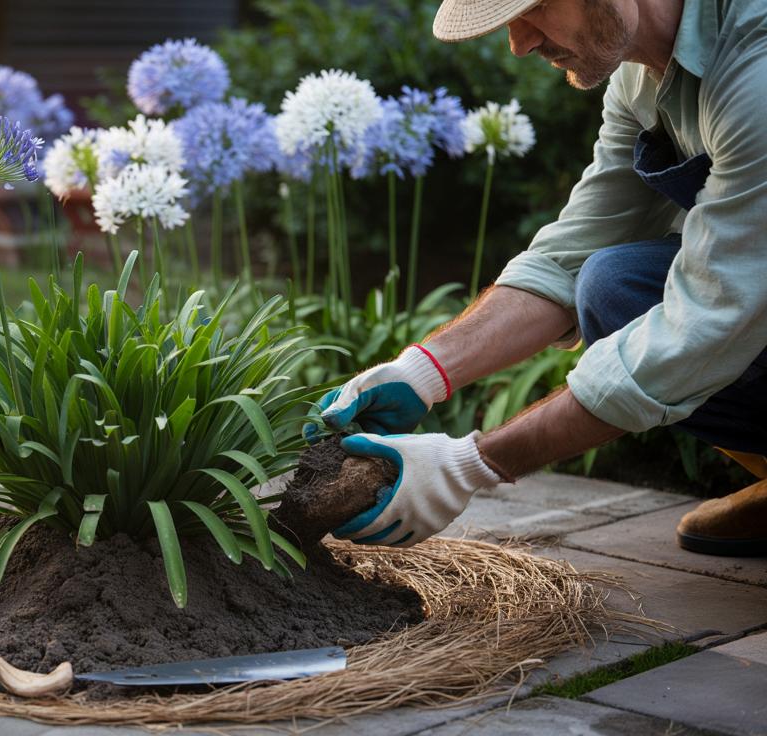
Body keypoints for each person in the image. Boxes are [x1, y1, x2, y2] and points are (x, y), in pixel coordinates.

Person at [306, 0, 767, 556]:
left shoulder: (755, 70)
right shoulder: (641, 76)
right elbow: (574, 249)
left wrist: (472, 464)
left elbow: (711, 322)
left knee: (659, 306)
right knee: (612, 285)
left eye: (536, 7)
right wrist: (422, 371)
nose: (519, 42)